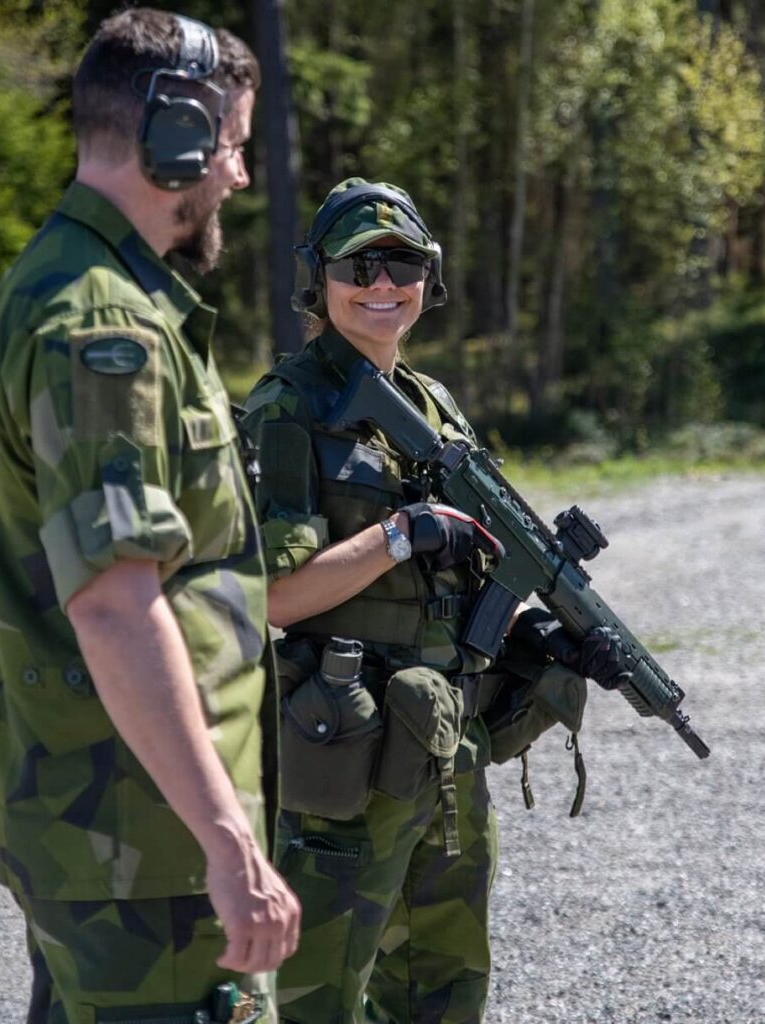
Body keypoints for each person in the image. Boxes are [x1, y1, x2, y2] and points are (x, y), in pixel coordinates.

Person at [0, 10, 299, 1023]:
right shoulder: (103, 322)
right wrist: (229, 842)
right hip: (146, 852)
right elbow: (116, 607)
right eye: (233, 147)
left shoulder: (90, 286)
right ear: (177, 142)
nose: (238, 177)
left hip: (120, 833)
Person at [242, 179, 506, 1024]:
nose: (384, 282)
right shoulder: (290, 408)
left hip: (443, 744)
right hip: (344, 748)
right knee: (317, 995)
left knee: (445, 986)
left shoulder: (439, 406)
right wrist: (403, 533)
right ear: (318, 279)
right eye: (361, 264)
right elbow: (274, 596)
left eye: (405, 262)